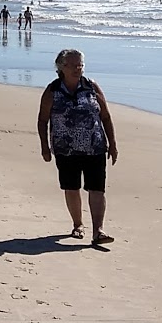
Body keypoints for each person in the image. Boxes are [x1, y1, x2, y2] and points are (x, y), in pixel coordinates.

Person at [37, 49, 119, 245]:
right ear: (61, 67)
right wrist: (45, 147)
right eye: (73, 65)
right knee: (72, 188)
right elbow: (42, 120)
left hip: (95, 147)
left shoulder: (92, 87)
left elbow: (105, 116)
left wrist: (113, 144)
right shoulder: (53, 91)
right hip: (66, 149)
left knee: (97, 188)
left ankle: (98, 230)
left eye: (80, 65)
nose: (77, 69)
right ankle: (78, 225)